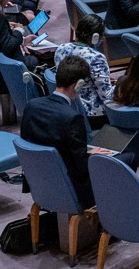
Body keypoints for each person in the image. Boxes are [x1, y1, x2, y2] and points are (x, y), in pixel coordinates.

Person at [20, 56, 95, 208]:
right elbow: (81, 166)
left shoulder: (31, 105)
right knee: (124, 160)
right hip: (69, 186)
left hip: (38, 182)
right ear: (79, 85)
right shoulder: (72, 117)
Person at [55, 14, 115, 125]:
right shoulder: (96, 57)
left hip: (67, 106)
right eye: (102, 35)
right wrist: (122, 85)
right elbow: (106, 96)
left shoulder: (61, 48)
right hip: (93, 114)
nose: (103, 38)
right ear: (95, 37)